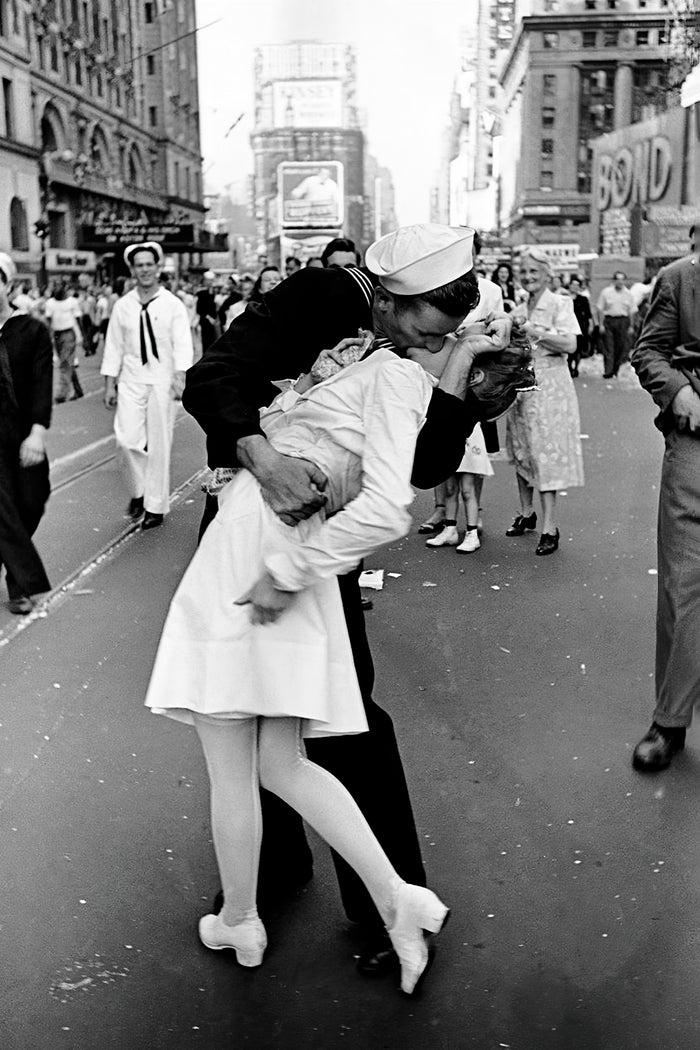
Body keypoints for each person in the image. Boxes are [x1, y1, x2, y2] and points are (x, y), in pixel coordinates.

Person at [181, 223, 515, 976]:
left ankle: (383, 901)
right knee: (251, 708)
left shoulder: (432, 353)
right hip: (252, 510)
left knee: (340, 714)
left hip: (320, 542)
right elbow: (212, 379)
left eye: (447, 335)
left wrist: (459, 388)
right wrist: (265, 461)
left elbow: (421, 470)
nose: (429, 346)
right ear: (391, 300)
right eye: (424, 329)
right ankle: (269, 874)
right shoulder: (326, 296)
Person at [629, 250, 700, 771]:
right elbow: (648, 351)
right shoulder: (679, 279)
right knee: (684, 586)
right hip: (696, 444)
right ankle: (669, 722)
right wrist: (677, 392)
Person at [419, 232, 506, 538]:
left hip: (476, 380)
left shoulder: (491, 290)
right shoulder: (434, 288)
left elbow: (497, 330)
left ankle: (474, 512)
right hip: (441, 371)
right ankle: (442, 508)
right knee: (437, 441)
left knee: (473, 452)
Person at [101, 242, 194, 530]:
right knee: (126, 440)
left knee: (159, 444)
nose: (144, 270)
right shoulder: (123, 306)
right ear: (132, 270)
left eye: (149, 264)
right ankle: (139, 492)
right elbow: (114, 346)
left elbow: (183, 344)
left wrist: (180, 377)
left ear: (157, 267)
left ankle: (155, 506)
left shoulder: (172, 305)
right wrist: (109, 384)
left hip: (162, 381)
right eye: (139, 265)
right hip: (130, 380)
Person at [505, 246, 584, 555]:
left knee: (545, 453)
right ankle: (527, 513)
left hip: (551, 389)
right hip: (522, 387)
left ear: (548, 274)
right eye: (523, 271)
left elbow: (570, 344)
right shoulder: (520, 307)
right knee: (522, 449)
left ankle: (550, 526)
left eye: (533, 271)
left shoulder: (560, 303)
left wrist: (533, 331)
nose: (528, 276)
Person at [0, 252, 53, 614]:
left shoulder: (31, 330)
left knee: (31, 500)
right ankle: (23, 584)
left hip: (20, 432)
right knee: (1, 506)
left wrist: (37, 432)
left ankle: (13, 567)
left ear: (7, 285)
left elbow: (41, 383)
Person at [43, 283, 84, 403]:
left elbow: (78, 318)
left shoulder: (72, 302)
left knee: (65, 363)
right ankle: (78, 389)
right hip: (57, 334)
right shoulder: (50, 303)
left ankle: (62, 393)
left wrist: (82, 335)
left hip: (68, 333)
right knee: (67, 362)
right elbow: (48, 320)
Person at [596, 271, 636, 378]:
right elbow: (600, 309)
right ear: (614, 281)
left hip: (623, 322)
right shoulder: (606, 292)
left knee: (621, 347)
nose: (620, 281)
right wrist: (601, 325)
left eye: (622, 279)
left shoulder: (628, 294)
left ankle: (615, 369)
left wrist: (631, 326)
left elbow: (632, 311)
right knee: (609, 347)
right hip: (609, 321)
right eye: (618, 279)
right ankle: (608, 371)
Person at [567, 275, 593, 378]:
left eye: (577, 285)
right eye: (573, 285)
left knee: (578, 348)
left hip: (580, 326)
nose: (574, 287)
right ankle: (569, 366)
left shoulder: (583, 299)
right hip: (567, 326)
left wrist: (590, 325)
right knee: (569, 348)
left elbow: (588, 314)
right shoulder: (565, 299)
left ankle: (576, 367)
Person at [196, 271, 220, 353]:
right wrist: (209, 318)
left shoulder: (215, 292)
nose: (210, 282)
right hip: (206, 321)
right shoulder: (201, 293)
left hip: (214, 321)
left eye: (211, 280)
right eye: (208, 280)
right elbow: (199, 309)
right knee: (206, 342)